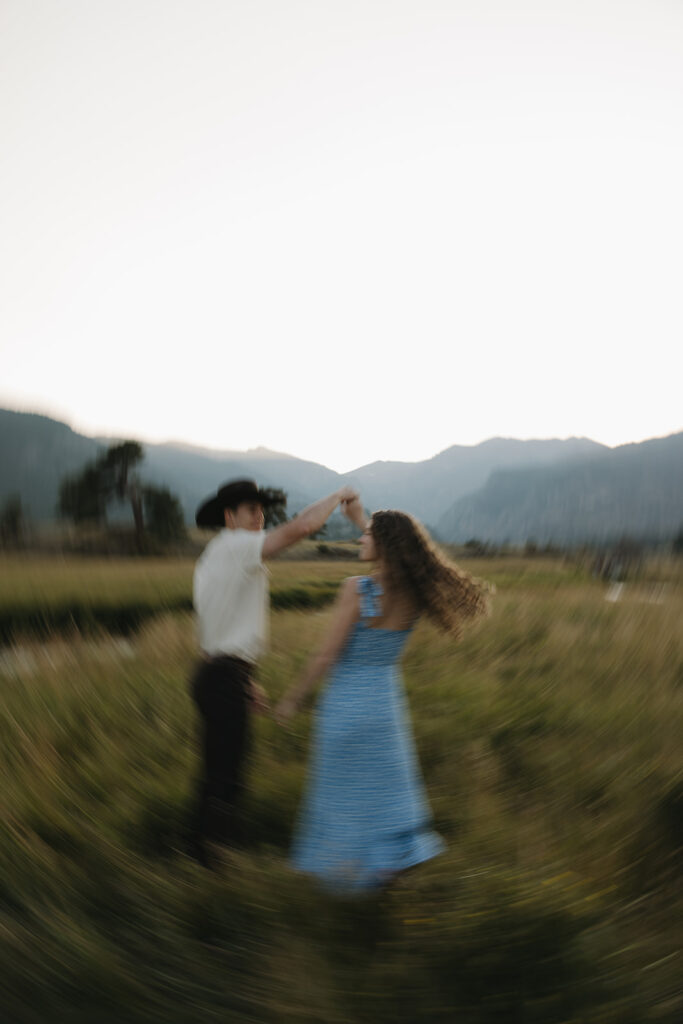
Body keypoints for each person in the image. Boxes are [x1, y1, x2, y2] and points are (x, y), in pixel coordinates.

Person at [276, 497, 492, 892]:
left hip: (345, 704)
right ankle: (386, 870)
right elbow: (388, 541)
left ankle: (344, 875)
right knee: (382, 793)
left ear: (384, 545)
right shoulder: (414, 592)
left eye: (366, 536)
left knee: (343, 795)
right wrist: (362, 517)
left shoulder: (356, 590)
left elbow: (327, 654)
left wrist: (293, 697)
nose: (360, 539)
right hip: (384, 707)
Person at [188, 477, 358, 866]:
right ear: (230, 517)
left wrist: (243, 680)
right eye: (251, 509)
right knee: (226, 777)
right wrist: (336, 495)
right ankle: (214, 862)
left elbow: (211, 630)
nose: (260, 515)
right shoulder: (236, 545)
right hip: (221, 676)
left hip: (215, 673)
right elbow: (301, 528)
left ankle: (201, 853)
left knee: (216, 772)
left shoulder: (215, 554)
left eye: (261, 508)